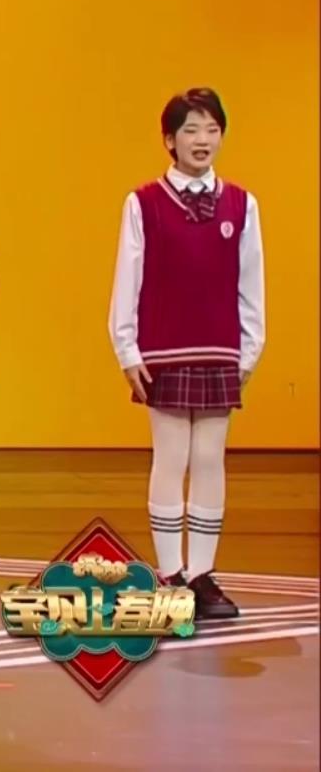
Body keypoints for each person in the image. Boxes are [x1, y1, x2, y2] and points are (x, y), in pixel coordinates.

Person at [109, 87, 264, 620]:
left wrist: (248, 352)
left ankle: (202, 574)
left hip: (220, 348)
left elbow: (251, 283)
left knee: (210, 459)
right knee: (171, 457)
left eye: (212, 129)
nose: (202, 140)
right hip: (163, 350)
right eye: (191, 130)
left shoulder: (242, 203)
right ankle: (170, 574)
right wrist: (127, 348)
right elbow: (127, 278)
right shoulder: (143, 203)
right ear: (169, 140)